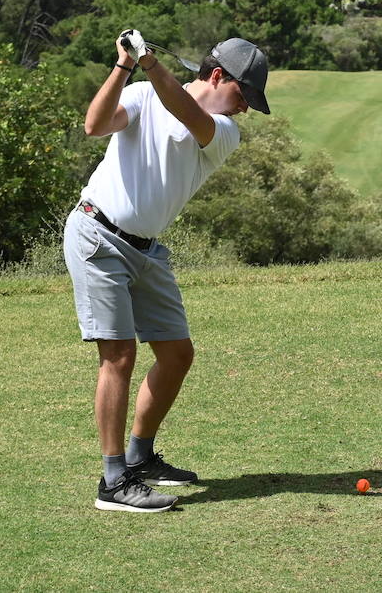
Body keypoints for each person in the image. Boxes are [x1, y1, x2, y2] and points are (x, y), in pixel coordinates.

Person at [64, 30, 270, 513]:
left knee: (177, 355)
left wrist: (150, 63)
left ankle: (140, 458)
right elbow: (94, 126)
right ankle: (113, 481)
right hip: (97, 234)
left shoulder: (222, 131)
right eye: (244, 96)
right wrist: (125, 66)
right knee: (118, 356)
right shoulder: (140, 93)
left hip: (147, 250)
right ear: (218, 75)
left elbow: (187, 114)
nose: (244, 109)